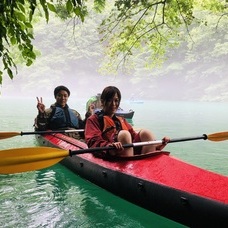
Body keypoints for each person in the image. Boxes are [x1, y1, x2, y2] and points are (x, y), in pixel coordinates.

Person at [85, 86, 169, 157]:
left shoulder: (121, 120)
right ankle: (129, 168)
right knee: (124, 134)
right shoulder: (93, 120)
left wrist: (158, 145)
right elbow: (93, 142)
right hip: (113, 155)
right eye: (110, 100)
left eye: (116, 100)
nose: (114, 104)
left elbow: (134, 138)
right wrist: (109, 147)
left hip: (127, 152)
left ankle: (148, 162)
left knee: (146, 133)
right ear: (102, 102)